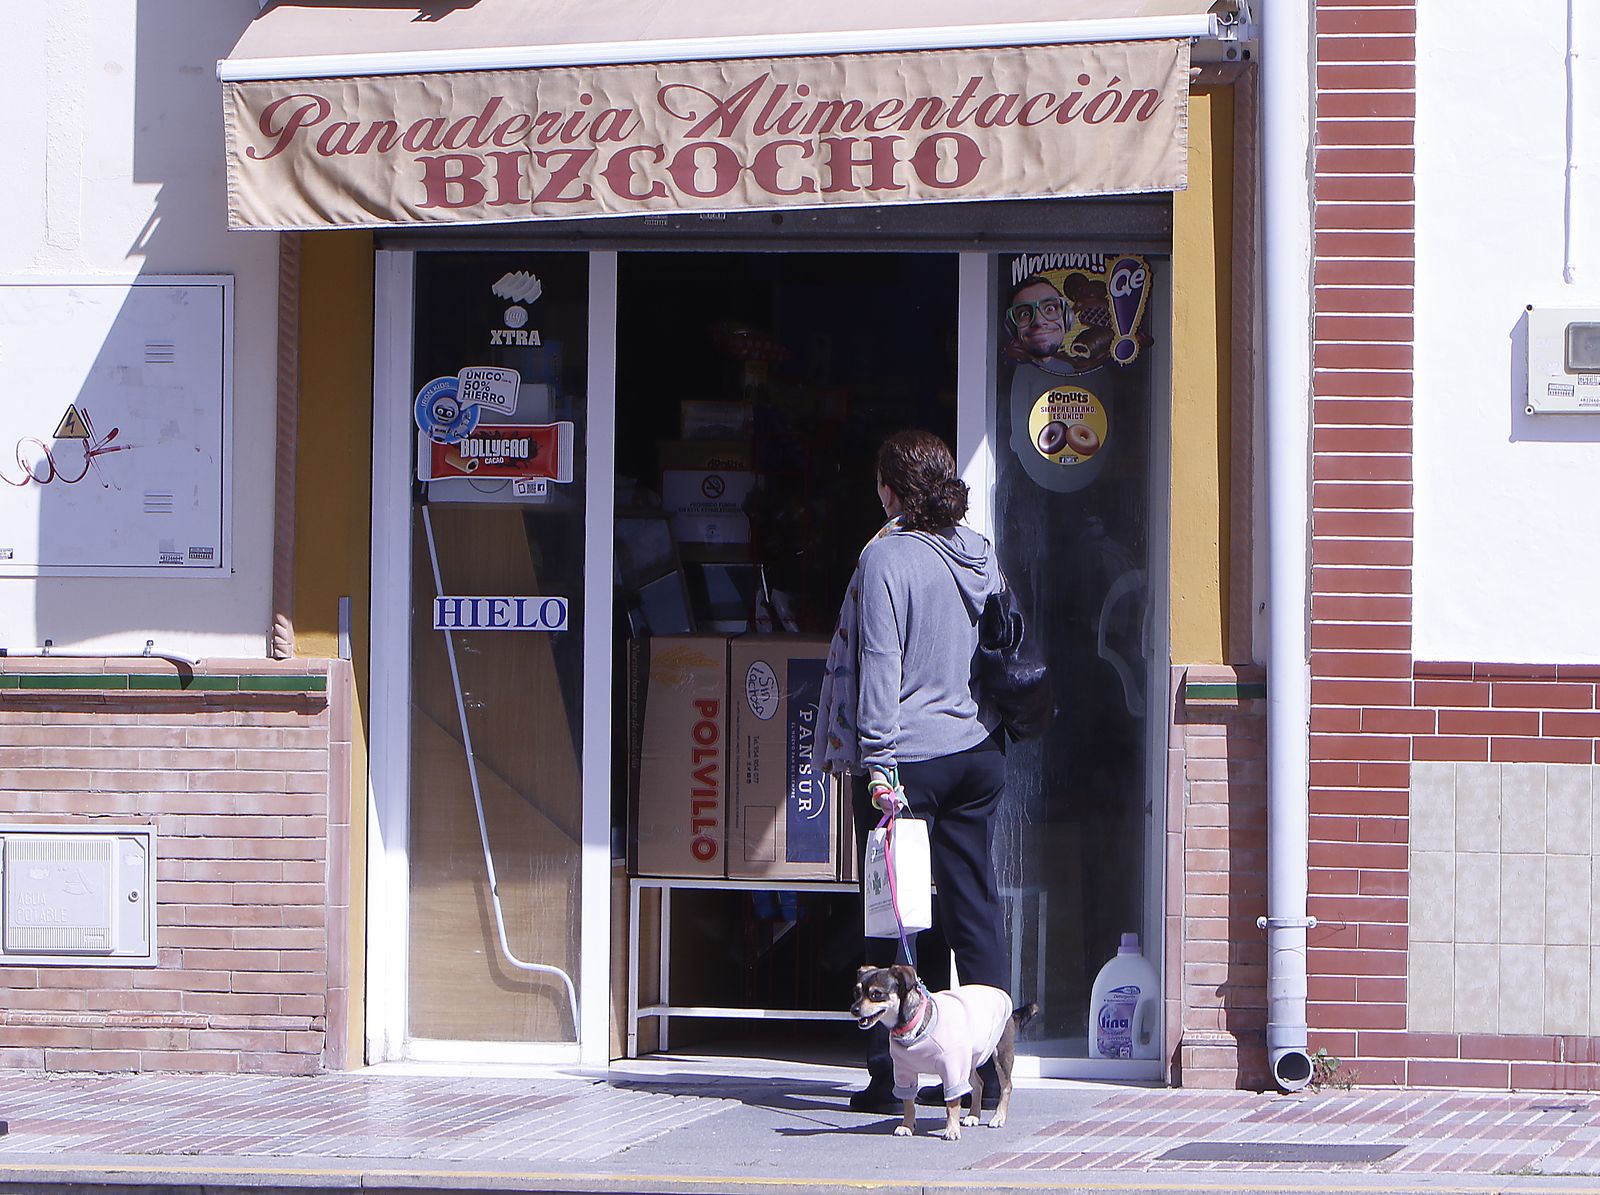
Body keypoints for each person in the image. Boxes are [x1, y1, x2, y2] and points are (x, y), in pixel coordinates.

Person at [814, 429, 1011, 1113]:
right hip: (978, 749)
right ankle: (989, 1075)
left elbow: (880, 665)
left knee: (891, 911)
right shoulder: (977, 551)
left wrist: (876, 763)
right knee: (973, 905)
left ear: (890, 489)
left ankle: (891, 1078)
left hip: (909, 759)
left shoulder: (886, 557)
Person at [1003, 275, 1071, 362]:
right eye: (1025, 314)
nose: (1039, 321)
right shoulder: (1006, 367)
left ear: (1067, 317)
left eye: (1050, 309)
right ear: (1012, 328)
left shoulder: (1069, 365)